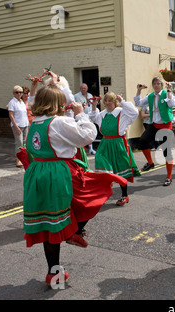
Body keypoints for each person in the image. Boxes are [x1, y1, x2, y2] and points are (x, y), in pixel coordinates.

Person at [21, 74, 127, 286]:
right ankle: (74, 231)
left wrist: (53, 85)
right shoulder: (59, 122)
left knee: (49, 224)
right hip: (59, 172)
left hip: (37, 174)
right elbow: (87, 136)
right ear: (57, 104)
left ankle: (54, 273)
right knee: (95, 192)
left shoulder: (35, 122)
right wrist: (81, 114)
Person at [90, 92, 141, 206]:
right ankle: (105, 192)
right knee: (102, 164)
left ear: (115, 102)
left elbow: (134, 112)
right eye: (106, 101)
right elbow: (93, 117)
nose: (108, 103)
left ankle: (124, 195)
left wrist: (123, 101)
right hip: (105, 143)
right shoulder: (102, 114)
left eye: (110, 100)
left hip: (118, 143)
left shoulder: (122, 113)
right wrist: (94, 105)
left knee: (120, 169)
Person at [134, 77, 175, 186]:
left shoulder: (167, 93)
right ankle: (150, 163)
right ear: (153, 85)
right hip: (154, 124)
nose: (156, 85)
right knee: (143, 141)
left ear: (161, 85)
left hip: (166, 125)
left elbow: (171, 104)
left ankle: (169, 176)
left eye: (158, 83)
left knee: (167, 152)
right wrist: (139, 90)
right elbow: (138, 103)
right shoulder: (151, 96)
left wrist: (169, 91)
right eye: (155, 84)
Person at [8, 85, 29, 167]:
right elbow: (11, 115)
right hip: (18, 125)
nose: (19, 94)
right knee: (19, 142)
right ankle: (18, 160)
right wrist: (16, 126)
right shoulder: (12, 102)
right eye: (17, 92)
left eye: (21, 92)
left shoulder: (22, 102)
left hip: (25, 124)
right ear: (14, 93)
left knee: (24, 143)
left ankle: (24, 158)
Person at [74, 83, 96, 155]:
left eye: (85, 88)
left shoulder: (90, 96)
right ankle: (82, 149)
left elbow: (92, 104)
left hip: (89, 116)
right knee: (82, 132)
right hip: (81, 116)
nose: (84, 89)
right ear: (80, 89)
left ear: (87, 89)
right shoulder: (76, 96)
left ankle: (91, 148)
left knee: (90, 131)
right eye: (82, 88)